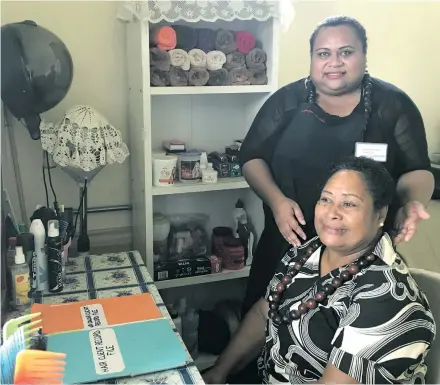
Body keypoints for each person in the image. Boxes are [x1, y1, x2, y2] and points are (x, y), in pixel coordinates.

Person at [239, 15, 435, 318]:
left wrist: (411, 202)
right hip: (287, 239)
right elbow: (251, 156)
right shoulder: (287, 102)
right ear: (312, 59)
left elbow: (417, 168)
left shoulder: (393, 105)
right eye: (323, 53)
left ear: (364, 56)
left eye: (346, 52)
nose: (334, 62)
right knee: (265, 321)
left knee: (343, 331)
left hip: (360, 251)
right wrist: (276, 201)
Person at [203, 156, 436, 384]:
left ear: (380, 215)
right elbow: (264, 313)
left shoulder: (384, 296)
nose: (332, 212)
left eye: (349, 203)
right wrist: (220, 371)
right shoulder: (307, 251)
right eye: (325, 200)